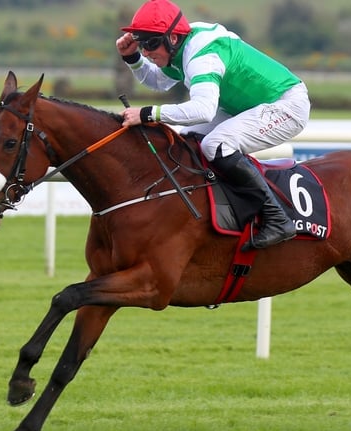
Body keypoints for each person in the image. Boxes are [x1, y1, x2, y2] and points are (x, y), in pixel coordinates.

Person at [116, 0, 310, 251]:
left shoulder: (202, 56)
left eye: (150, 44)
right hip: (244, 107)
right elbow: (159, 82)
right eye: (141, 43)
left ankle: (277, 218)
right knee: (186, 140)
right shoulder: (180, 47)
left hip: (286, 105)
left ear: (173, 38)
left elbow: (203, 110)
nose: (145, 51)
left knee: (216, 145)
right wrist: (131, 58)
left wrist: (147, 114)